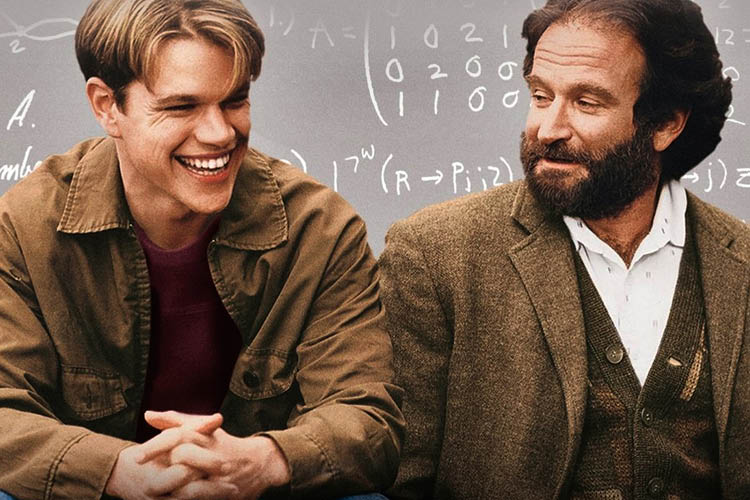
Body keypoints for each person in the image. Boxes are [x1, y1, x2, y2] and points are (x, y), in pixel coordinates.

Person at [0, 0, 403, 498]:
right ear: (107, 106)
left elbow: (367, 418)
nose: (220, 134)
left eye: (235, 101)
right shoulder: (25, 227)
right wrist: (118, 472)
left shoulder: (320, 229)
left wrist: (263, 461)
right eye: (181, 107)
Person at [380, 0, 750, 498]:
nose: (548, 128)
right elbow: (398, 480)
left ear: (666, 124)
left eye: (587, 102)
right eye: (540, 95)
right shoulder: (435, 256)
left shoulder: (741, 266)